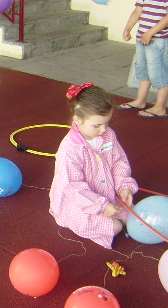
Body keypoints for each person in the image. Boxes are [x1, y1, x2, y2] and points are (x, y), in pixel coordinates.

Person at [50, 83, 138, 249]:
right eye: (97, 125)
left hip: (105, 191)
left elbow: (119, 162)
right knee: (115, 226)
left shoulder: (108, 135)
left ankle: (111, 212)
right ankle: (80, 219)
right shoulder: (69, 150)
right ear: (77, 120)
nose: (103, 129)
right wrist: (102, 206)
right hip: (78, 201)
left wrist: (124, 186)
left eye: (107, 123)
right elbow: (73, 188)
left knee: (134, 217)